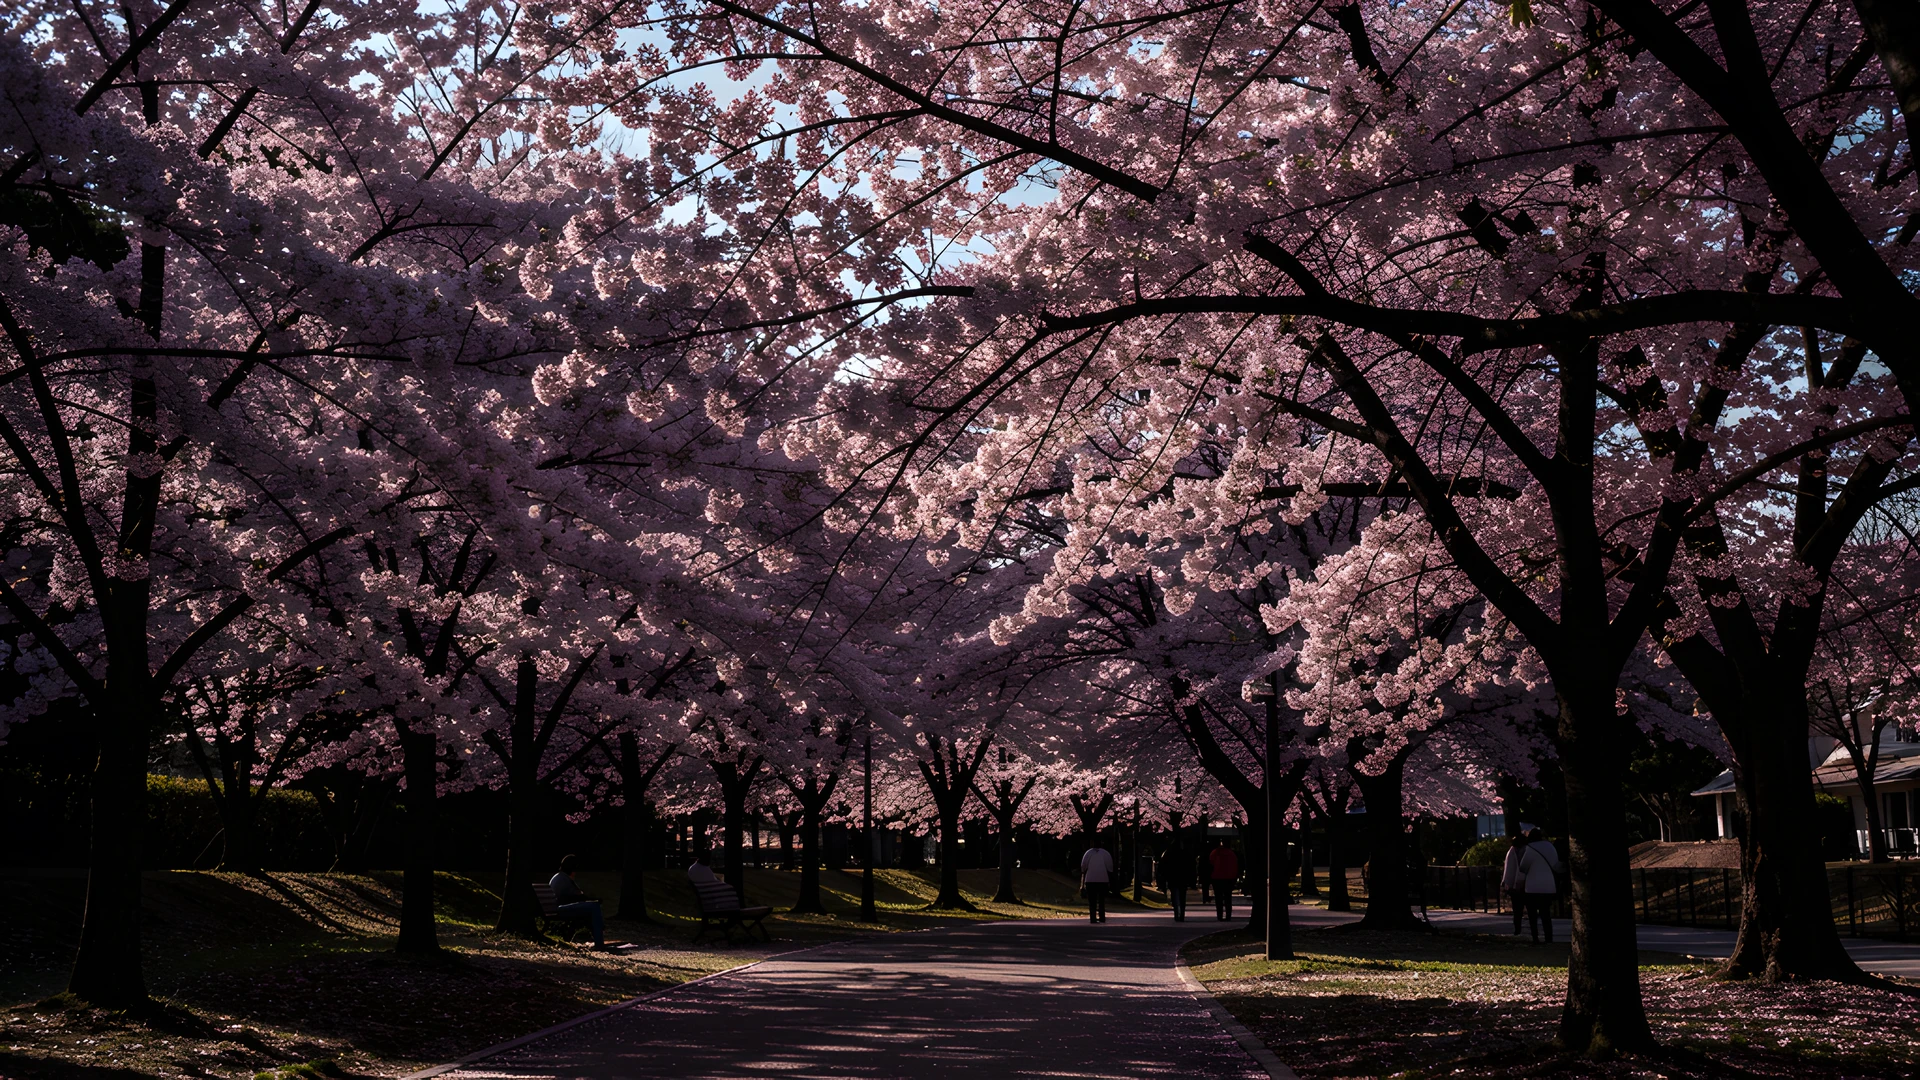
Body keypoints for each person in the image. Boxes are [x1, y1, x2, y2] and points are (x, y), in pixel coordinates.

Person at [550, 854, 607, 949]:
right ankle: (599, 943)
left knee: (592, 907)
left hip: (558, 907)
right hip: (560, 909)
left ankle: (598, 939)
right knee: (594, 906)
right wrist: (591, 900)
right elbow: (576, 897)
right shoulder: (564, 879)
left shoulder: (560, 877)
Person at [1518, 828, 1563, 944]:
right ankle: (1549, 937)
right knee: (1546, 914)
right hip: (1548, 886)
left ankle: (1535, 937)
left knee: (1532, 915)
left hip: (1532, 887)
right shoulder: (1550, 847)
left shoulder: (1530, 848)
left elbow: (1523, 867)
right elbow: (1556, 865)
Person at [1080, 839, 1115, 923]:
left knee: (1092, 900)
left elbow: (1083, 866)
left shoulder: (1088, 853)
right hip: (1103, 879)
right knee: (1101, 900)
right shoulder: (1106, 853)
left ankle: (1093, 917)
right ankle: (1102, 917)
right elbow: (1110, 868)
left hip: (1090, 879)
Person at [1500, 833, 1527, 935]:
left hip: (1513, 886)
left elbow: (1508, 869)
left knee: (1517, 910)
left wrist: (1506, 883)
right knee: (1528, 909)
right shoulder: (1527, 851)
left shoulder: (1511, 852)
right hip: (1525, 884)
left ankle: (1517, 929)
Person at [1158, 840, 1191, 922]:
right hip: (1182, 878)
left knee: (1175, 896)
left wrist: (1164, 877)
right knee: (1182, 897)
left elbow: (1162, 866)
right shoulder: (1184, 853)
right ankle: (1182, 914)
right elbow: (1189, 866)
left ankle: (1176, 913)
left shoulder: (1167, 853)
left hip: (1172, 878)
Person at [1208, 839, 1240, 921]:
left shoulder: (1214, 853)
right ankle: (1228, 915)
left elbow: (1210, 865)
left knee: (1218, 898)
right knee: (1228, 898)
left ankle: (1219, 915)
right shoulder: (1231, 854)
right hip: (1229, 878)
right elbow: (1235, 865)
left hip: (1217, 877)